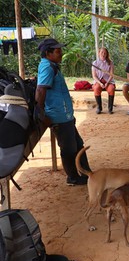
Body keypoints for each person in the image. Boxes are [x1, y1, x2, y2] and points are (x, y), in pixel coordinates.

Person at [35, 38, 91, 185]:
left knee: (78, 145)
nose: (61, 54)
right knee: (69, 149)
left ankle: (87, 174)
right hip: (58, 117)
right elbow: (40, 90)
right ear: (48, 53)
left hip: (65, 116)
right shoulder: (47, 67)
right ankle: (72, 177)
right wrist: (40, 113)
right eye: (58, 51)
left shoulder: (52, 66)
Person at [91, 47, 115, 114]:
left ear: (107, 54)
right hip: (98, 81)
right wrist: (100, 83)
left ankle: (110, 108)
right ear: (99, 53)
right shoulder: (95, 63)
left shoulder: (110, 63)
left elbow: (111, 74)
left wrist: (107, 82)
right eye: (102, 52)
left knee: (111, 89)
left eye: (105, 53)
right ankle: (99, 107)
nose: (103, 54)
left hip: (108, 81)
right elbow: (94, 76)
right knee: (96, 88)